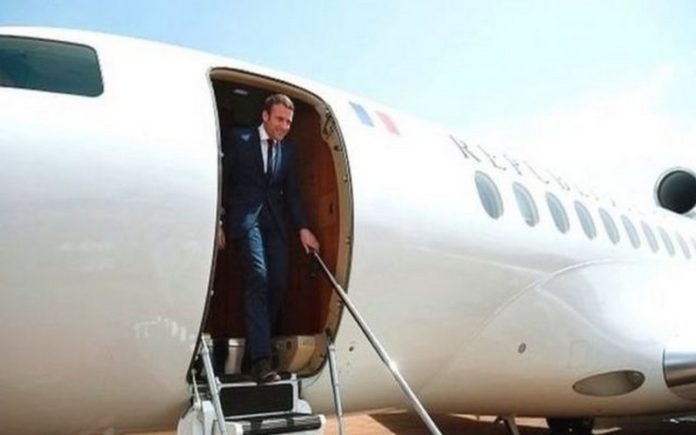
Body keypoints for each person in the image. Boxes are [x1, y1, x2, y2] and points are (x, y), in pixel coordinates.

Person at [218, 94, 320, 383]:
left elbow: (293, 194)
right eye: (279, 119)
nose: (284, 126)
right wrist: (219, 220)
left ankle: (255, 350)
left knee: (277, 283)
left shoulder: (287, 150)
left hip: (275, 224)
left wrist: (303, 228)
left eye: (288, 122)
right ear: (265, 116)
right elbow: (223, 180)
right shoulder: (240, 139)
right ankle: (261, 361)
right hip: (245, 219)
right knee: (259, 278)